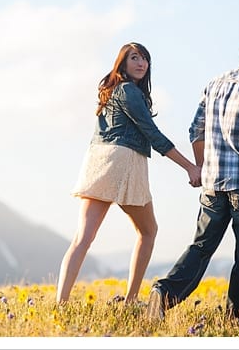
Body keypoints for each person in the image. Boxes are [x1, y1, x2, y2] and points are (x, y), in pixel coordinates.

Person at [55, 42, 202, 306]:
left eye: (145, 59)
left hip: (97, 160)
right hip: (125, 162)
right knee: (148, 231)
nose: (141, 63)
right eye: (134, 58)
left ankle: (60, 304)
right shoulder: (129, 91)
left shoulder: (111, 92)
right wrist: (190, 167)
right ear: (122, 63)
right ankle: (131, 300)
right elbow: (153, 135)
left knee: (83, 238)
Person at [147, 31, 239, 321]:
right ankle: (237, 316)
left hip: (213, 183)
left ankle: (164, 293)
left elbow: (195, 129)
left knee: (201, 246)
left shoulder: (215, 84)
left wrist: (202, 167)